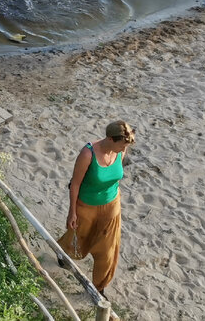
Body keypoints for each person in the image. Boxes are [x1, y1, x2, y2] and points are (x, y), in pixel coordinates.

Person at [56, 120, 134, 296]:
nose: (124, 150)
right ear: (110, 139)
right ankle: (62, 253)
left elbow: (115, 175)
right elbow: (75, 185)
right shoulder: (87, 154)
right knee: (79, 240)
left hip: (111, 206)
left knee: (107, 250)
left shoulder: (120, 150)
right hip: (86, 207)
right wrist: (72, 212)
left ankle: (99, 288)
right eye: (122, 145)